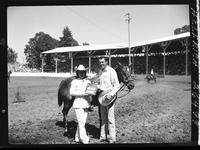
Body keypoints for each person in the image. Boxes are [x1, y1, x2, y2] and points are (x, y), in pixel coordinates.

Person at [98, 57, 120, 144]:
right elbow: (101, 84)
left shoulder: (111, 71)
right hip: (102, 97)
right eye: (100, 62)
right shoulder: (101, 72)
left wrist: (111, 95)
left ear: (106, 62)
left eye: (103, 62)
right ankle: (103, 136)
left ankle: (112, 138)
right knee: (103, 118)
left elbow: (117, 85)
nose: (101, 64)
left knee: (110, 119)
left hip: (109, 97)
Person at [70, 64, 92, 144]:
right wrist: (82, 93)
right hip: (78, 103)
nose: (81, 74)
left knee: (81, 122)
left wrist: (94, 89)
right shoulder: (74, 81)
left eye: (83, 72)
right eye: (80, 72)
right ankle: (84, 139)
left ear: (85, 73)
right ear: (77, 73)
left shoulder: (88, 81)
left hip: (86, 103)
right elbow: (71, 92)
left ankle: (77, 137)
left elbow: (91, 91)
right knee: (81, 122)